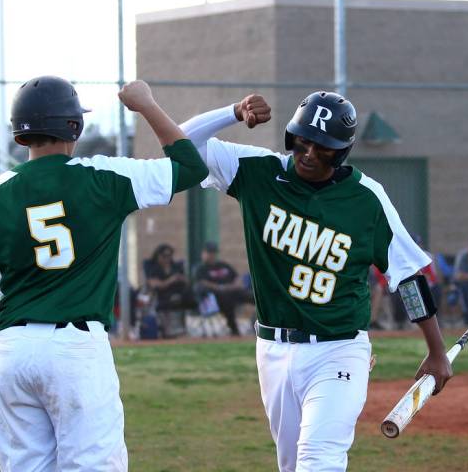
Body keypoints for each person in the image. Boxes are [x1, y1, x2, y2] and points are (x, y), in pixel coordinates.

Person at [180, 91, 452, 471]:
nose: (308, 152)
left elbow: (408, 276)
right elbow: (182, 142)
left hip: (338, 349)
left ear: (340, 152)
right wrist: (233, 112)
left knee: (318, 459)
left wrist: (436, 351)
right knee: (292, 464)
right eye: (302, 141)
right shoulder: (258, 172)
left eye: (322, 146)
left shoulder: (366, 197)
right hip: (272, 349)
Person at [0, 77, 207, 471]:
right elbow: (190, 167)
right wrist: (146, 105)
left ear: (21, 132)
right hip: (76, 348)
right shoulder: (104, 176)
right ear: (74, 126)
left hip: (13, 351)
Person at [193, 241, 253, 336]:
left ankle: (261, 322)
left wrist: (234, 285)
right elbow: (202, 283)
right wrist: (221, 287)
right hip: (216, 297)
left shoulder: (223, 265)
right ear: (203, 253)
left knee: (254, 297)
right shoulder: (200, 268)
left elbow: (237, 278)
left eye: (213, 253)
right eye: (209, 253)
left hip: (233, 291)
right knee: (227, 300)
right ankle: (234, 330)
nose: (212, 255)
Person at [144, 243, 197, 336]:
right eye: (164, 256)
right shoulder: (153, 268)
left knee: (187, 295)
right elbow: (154, 284)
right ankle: (167, 330)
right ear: (158, 256)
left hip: (178, 292)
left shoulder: (175, 266)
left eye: (169, 256)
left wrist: (181, 278)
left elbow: (187, 281)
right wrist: (171, 280)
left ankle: (182, 328)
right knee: (170, 298)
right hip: (160, 295)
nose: (167, 259)